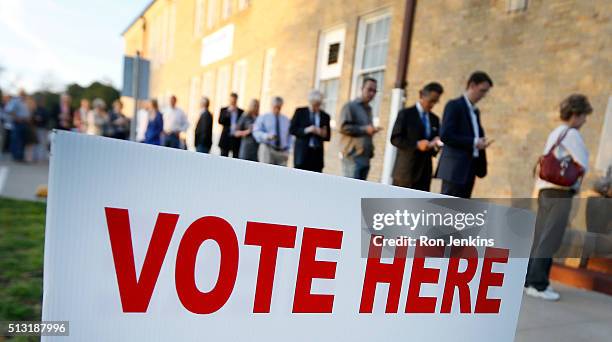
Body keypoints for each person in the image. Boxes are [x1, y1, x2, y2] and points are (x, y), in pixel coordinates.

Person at [524, 94, 593, 301]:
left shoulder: (556, 132)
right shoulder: (572, 134)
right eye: (583, 116)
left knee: (540, 236)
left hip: (545, 190)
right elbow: (584, 163)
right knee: (550, 237)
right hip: (560, 192)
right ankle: (538, 284)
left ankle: (528, 280)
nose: (585, 121)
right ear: (576, 114)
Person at [436, 71, 494, 198]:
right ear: (472, 85)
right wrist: (474, 142)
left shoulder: (475, 111)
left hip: (470, 168)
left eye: (486, 92)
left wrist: (480, 142)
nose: (483, 95)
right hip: (454, 169)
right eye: (482, 91)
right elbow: (446, 135)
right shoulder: (454, 105)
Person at [391, 82, 444, 191]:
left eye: (436, 101)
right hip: (406, 172)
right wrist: (416, 145)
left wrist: (436, 145)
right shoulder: (405, 114)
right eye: (431, 101)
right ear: (422, 95)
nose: (432, 105)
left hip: (425, 173)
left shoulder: (435, 119)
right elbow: (395, 139)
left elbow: (434, 148)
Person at [339, 77, 382, 180]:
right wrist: (365, 129)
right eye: (369, 89)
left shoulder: (369, 109)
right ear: (362, 88)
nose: (372, 93)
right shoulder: (350, 106)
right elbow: (343, 127)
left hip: (366, 156)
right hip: (352, 157)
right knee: (351, 191)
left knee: (360, 192)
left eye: (374, 91)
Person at [290, 90, 331, 172]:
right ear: (310, 102)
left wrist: (321, 133)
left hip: (317, 155)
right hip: (302, 154)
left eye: (317, 105)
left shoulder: (325, 116)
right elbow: (292, 130)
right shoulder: (300, 112)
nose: (315, 107)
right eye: (313, 104)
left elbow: (328, 136)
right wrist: (307, 130)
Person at [253, 96, 292, 166]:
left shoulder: (286, 120)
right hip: (267, 148)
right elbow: (256, 132)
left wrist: (288, 149)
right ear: (271, 106)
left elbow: (289, 136)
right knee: (266, 171)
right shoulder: (263, 117)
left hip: (282, 152)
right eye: (275, 107)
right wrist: (266, 136)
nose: (277, 109)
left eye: (279, 107)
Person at [5, 90, 31, 161]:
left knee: (23, 140)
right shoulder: (15, 101)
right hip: (18, 123)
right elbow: (9, 110)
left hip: (25, 123)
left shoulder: (25, 102)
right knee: (17, 140)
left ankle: (21, 156)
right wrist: (16, 118)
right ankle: (16, 156)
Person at [218, 93, 244, 157]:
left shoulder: (241, 112)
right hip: (225, 138)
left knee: (235, 158)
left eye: (234, 100)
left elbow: (243, 124)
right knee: (223, 158)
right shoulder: (224, 110)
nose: (233, 102)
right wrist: (228, 112)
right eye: (231, 100)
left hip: (236, 139)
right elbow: (220, 121)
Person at [32, 95, 50, 161]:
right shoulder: (36, 109)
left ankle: (41, 157)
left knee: (42, 143)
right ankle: (36, 157)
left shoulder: (45, 110)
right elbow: (33, 118)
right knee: (37, 143)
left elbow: (47, 119)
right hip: (37, 128)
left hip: (43, 128)